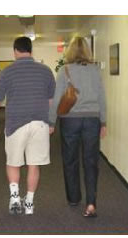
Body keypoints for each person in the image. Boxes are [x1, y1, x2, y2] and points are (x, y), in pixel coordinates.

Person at [0, 36, 56, 215]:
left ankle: (15, 199)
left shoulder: (7, 72)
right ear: (31, 50)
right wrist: (51, 121)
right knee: (34, 164)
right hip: (40, 123)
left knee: (13, 162)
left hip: (15, 124)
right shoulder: (45, 71)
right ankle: (29, 204)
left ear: (15, 51)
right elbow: (51, 101)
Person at [49, 36, 107, 218]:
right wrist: (103, 122)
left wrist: (51, 122)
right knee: (91, 162)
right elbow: (102, 98)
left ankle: (74, 198)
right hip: (92, 120)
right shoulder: (95, 70)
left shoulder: (64, 70)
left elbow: (57, 99)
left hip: (70, 120)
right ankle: (91, 203)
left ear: (70, 51)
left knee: (70, 160)